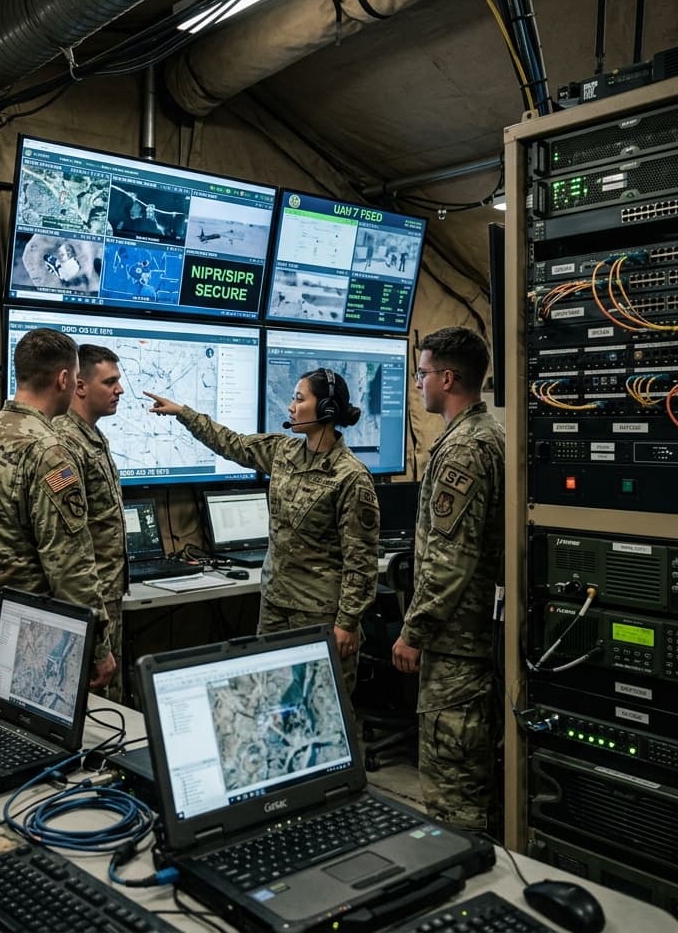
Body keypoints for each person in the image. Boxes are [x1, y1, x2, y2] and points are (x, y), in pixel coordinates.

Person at [146, 368, 379, 693]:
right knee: (270, 700)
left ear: (326, 409)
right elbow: (232, 443)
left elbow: (362, 560)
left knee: (322, 708)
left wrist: (348, 622)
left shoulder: (350, 476)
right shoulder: (283, 451)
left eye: (299, 399)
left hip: (318, 615)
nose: (291, 407)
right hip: (274, 604)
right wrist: (184, 414)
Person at [0, 328, 115, 689]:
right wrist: (98, 647)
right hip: (37, 637)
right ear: (63, 379)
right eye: (75, 378)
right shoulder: (48, 452)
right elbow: (69, 562)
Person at [391, 327, 504, 833]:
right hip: (483, 637)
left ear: (449, 377)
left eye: (422, 373)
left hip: (458, 646)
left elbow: (449, 558)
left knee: (454, 787)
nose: (419, 384)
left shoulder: (462, 449)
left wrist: (415, 631)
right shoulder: (493, 432)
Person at [53, 344, 128, 702]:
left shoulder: (93, 437)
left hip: (107, 595)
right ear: (79, 386)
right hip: (88, 600)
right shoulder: (67, 442)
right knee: (96, 701)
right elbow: (70, 540)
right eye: (110, 382)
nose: (120, 390)